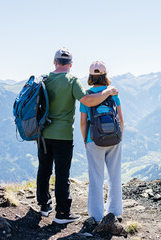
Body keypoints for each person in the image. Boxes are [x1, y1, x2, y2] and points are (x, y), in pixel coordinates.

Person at [37, 48, 119, 224]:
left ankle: (44, 206)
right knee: (61, 173)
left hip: (43, 133)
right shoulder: (72, 81)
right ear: (71, 64)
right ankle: (62, 214)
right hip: (63, 135)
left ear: (54, 62)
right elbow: (88, 101)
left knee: (44, 169)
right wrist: (107, 92)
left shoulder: (44, 79)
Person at [80, 61, 124, 222]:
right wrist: (120, 137)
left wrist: (85, 139)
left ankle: (96, 215)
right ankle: (115, 212)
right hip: (114, 138)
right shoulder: (113, 93)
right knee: (115, 176)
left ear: (90, 76)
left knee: (96, 177)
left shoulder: (87, 95)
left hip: (94, 139)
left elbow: (83, 122)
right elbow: (120, 118)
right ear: (105, 76)